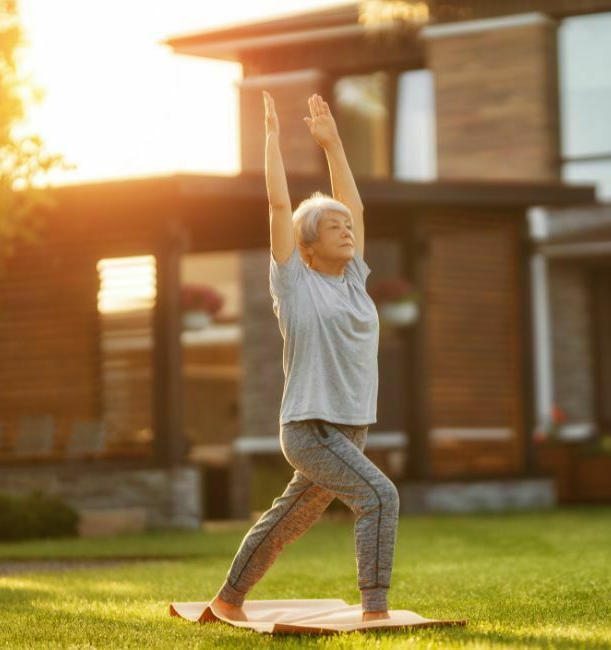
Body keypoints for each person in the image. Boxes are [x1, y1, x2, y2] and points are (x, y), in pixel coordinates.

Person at [209, 92, 398, 623]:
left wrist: (335, 145)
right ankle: (375, 609)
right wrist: (271, 139)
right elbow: (276, 206)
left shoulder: (356, 283)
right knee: (379, 497)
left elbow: (355, 207)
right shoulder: (294, 283)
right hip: (311, 427)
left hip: (350, 428)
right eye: (333, 226)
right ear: (308, 245)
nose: (346, 230)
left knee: (289, 518)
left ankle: (228, 599)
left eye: (347, 227)